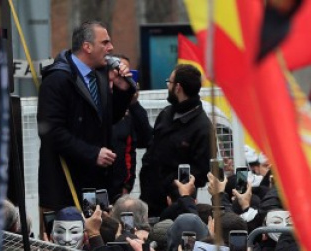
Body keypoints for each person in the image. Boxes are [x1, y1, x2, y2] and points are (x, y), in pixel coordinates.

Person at [37, 20, 135, 228]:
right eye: (105, 43)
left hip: (95, 184)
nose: (111, 49)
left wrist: (122, 90)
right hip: (64, 184)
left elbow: (108, 120)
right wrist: (93, 153)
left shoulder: (99, 75)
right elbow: (51, 131)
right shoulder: (57, 79)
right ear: (87, 47)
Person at [139, 64, 216, 217]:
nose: (168, 86)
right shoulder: (166, 114)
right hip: (149, 199)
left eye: (170, 82)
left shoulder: (202, 127)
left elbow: (200, 173)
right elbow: (152, 150)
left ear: (178, 87)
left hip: (178, 206)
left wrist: (174, 189)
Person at [110, 55, 152, 200]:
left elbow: (145, 139)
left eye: (128, 73)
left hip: (121, 188)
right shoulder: (99, 102)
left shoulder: (131, 110)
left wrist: (133, 102)